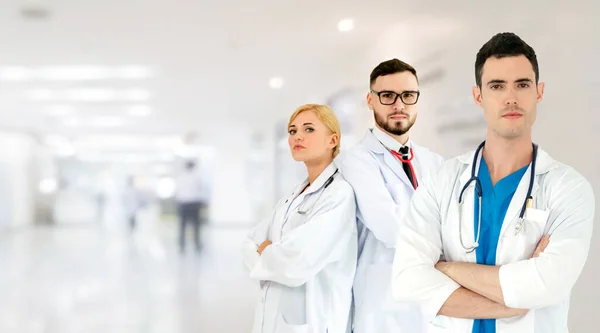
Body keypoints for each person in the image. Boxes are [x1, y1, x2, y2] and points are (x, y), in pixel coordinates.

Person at [391, 32, 595, 333]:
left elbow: (548, 284)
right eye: (497, 86)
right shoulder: (441, 181)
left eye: (522, 85)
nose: (510, 97)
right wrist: (516, 300)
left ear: (539, 92)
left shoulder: (569, 188)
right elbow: (407, 280)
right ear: (478, 96)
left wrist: (445, 269)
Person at [337, 58, 444, 332]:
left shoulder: (434, 162)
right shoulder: (356, 161)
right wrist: (443, 235)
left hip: (431, 304)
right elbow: (391, 228)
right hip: (382, 304)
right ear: (370, 100)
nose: (399, 105)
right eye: (387, 96)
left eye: (408, 95)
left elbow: (461, 225)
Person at [243, 104, 357, 333]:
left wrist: (267, 252)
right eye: (292, 131)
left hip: (313, 321)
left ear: (332, 140)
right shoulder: (293, 195)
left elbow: (296, 262)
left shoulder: (339, 195)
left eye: (309, 129)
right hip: (273, 319)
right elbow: (249, 244)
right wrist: (273, 254)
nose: (297, 137)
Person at [175, 160, 208, 253]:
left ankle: (182, 245)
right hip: (194, 204)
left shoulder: (180, 177)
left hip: (183, 203)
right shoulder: (196, 177)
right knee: (196, 226)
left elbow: (178, 191)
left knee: (182, 226)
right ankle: (197, 245)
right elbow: (200, 189)